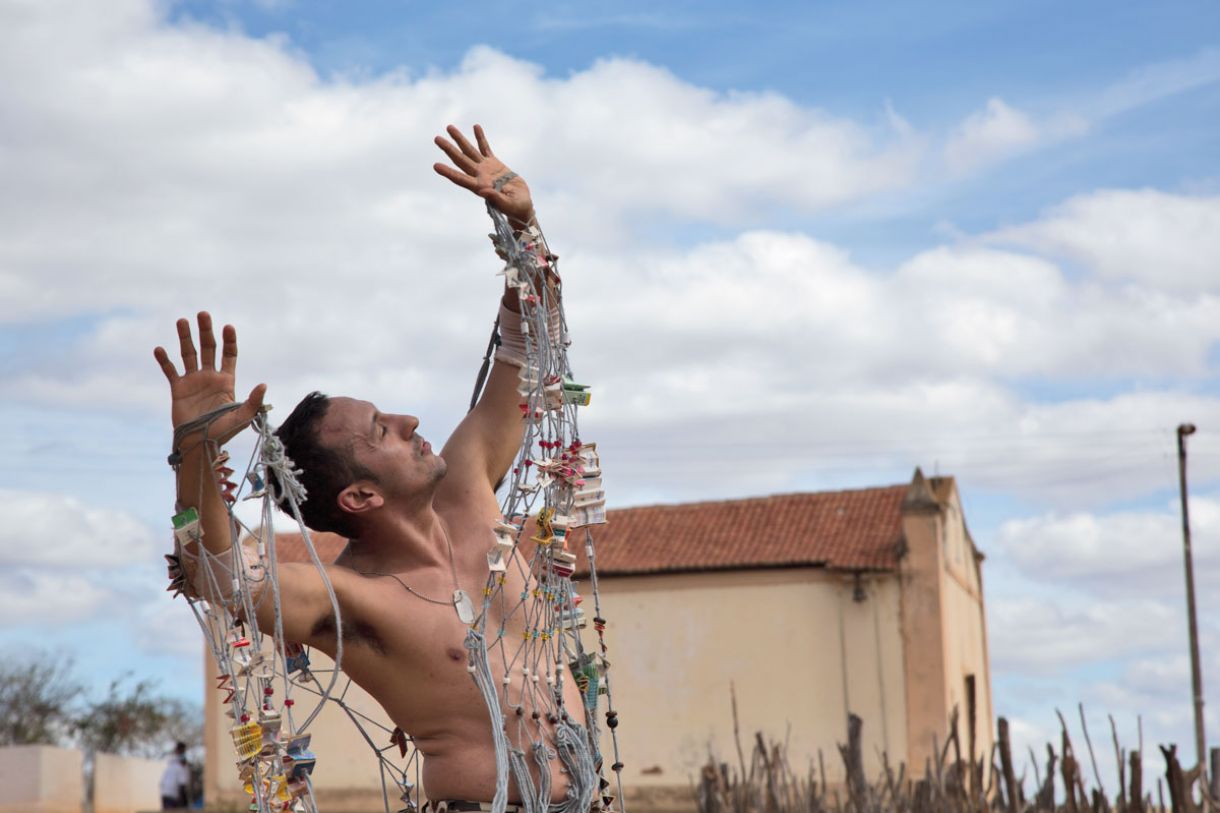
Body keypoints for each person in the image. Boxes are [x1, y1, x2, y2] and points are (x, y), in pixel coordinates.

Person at [154, 125, 589, 808]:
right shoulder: (349, 599)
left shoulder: (473, 486)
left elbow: (525, 357)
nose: (413, 422)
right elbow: (219, 575)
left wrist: (526, 233)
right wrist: (198, 453)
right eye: (383, 430)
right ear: (359, 495)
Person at [159, 741, 190, 810]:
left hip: (165, 793)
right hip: (173, 795)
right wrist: (184, 802)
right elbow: (182, 784)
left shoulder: (171, 763)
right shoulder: (180, 765)